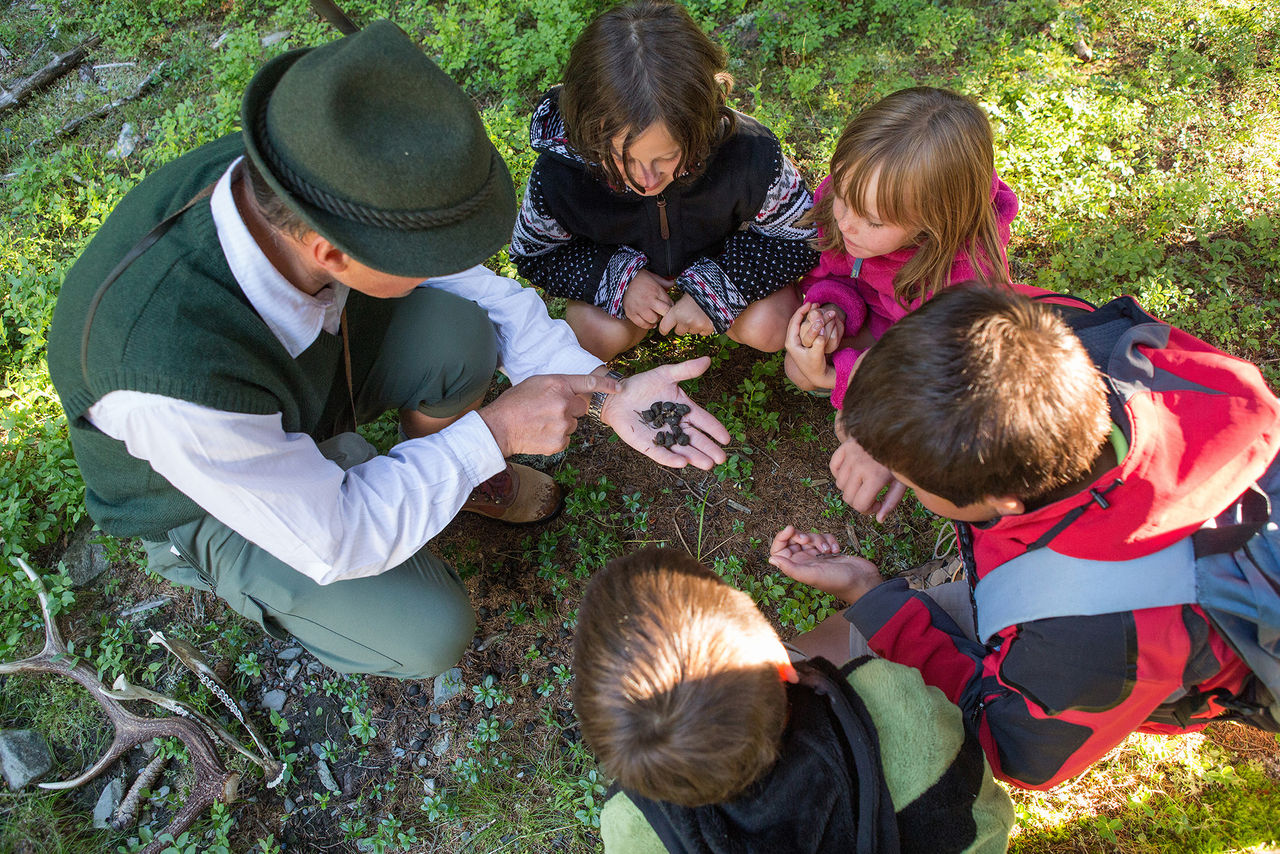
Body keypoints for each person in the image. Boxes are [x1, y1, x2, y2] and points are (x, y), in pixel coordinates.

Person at [46, 21, 730, 680]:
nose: (458, 258)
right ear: (331, 253)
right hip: (201, 493)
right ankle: (377, 487)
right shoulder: (164, 374)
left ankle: (429, 480)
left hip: (302, 377)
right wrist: (492, 432)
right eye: (426, 252)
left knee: (462, 329)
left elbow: (483, 293)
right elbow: (337, 537)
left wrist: (608, 393)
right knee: (427, 630)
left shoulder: (317, 165)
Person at [771, 285, 1280, 790]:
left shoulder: (1086, 630)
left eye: (911, 479)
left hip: (1137, 630)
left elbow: (1010, 750)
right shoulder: (1052, 330)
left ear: (1005, 502)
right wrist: (884, 429)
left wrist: (871, 596)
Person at [574, 547, 1015, 854]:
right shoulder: (889, 698)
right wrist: (865, 589)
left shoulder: (630, 823)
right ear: (782, 664)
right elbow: (987, 823)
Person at [510, 0, 818, 361]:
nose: (646, 179)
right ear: (588, 134)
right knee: (593, 335)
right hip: (623, 282)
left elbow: (804, 237)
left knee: (771, 324)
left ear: (700, 126)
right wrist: (617, 279)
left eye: (667, 156)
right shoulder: (560, 173)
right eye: (621, 158)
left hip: (722, 262)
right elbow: (534, 254)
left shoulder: (749, 153)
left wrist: (718, 287)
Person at [784, 87, 1032, 411]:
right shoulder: (861, 191)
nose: (845, 224)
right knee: (799, 368)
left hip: (924, 358)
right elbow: (838, 268)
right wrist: (835, 309)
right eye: (842, 199)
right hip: (882, 323)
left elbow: (946, 376)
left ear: (935, 222)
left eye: (872, 222)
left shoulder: (966, 284)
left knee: (864, 428)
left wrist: (837, 377)